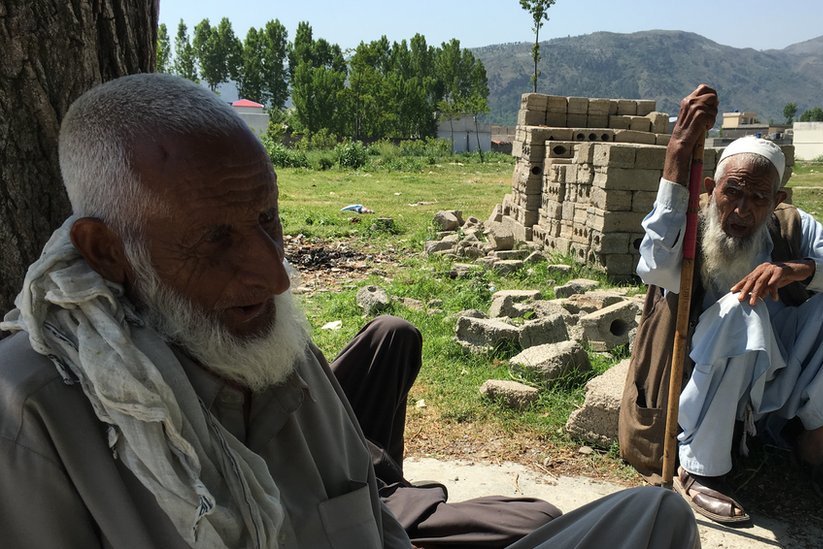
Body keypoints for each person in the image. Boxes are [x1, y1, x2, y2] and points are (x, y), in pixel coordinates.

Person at [0, 73, 701, 548]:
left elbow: (377, 527)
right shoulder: (33, 415)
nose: (273, 273)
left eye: (269, 222)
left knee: (654, 516)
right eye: (216, 239)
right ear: (107, 252)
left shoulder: (274, 345)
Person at [626, 84, 823, 524]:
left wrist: (801, 269)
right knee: (740, 308)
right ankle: (699, 468)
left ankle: (810, 448)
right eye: (732, 192)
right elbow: (654, 266)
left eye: (758, 199)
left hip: (768, 382)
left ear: (777, 202)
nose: (741, 211)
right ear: (712, 188)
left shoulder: (791, 227)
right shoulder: (691, 221)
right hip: (695, 382)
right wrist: (677, 155)